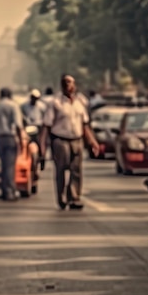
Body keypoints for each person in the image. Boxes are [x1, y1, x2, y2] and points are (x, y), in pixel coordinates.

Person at [39, 74, 100, 210]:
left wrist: (93, 142)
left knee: (76, 170)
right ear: (61, 85)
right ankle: (62, 198)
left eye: (70, 82)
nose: (68, 85)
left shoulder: (80, 102)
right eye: (65, 83)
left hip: (77, 140)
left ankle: (74, 197)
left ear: (75, 85)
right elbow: (46, 126)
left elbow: (85, 125)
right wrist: (42, 145)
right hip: (60, 140)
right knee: (61, 170)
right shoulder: (55, 103)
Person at [0, 87, 25, 201]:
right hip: (10, 137)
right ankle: (10, 192)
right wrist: (21, 140)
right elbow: (18, 124)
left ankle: (4, 190)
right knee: (10, 166)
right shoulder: (13, 105)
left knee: (4, 165)